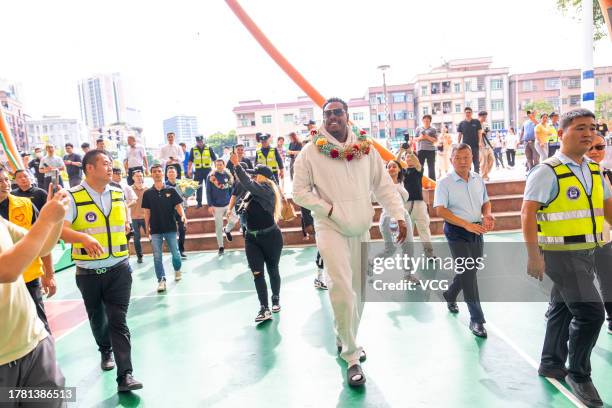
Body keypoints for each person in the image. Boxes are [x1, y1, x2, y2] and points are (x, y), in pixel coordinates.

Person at [293, 97, 407, 387]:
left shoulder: (366, 150)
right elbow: (299, 192)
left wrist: (399, 215)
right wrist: (329, 210)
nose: (332, 117)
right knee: (342, 288)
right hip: (330, 228)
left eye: (338, 112)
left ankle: (344, 334)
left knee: (359, 292)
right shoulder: (309, 152)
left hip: (360, 228)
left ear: (347, 116)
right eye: (327, 113)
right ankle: (352, 356)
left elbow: (383, 186)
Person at [522, 109, 612, 408]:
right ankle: (579, 374)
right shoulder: (546, 170)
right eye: (579, 128)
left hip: (589, 250)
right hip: (561, 254)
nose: (588, 133)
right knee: (591, 313)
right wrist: (534, 255)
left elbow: (607, 206)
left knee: (561, 308)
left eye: (591, 128)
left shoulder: (596, 169)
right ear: (561, 134)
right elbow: (527, 213)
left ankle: (551, 363)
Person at [60, 150, 143, 392]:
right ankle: (104, 349)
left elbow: (123, 219)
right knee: (98, 319)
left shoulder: (118, 192)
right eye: (105, 163)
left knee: (119, 320)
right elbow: (61, 231)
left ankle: (126, 375)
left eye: (111, 163)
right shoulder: (72, 196)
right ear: (89, 168)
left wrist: (126, 225)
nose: (111, 167)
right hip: (88, 273)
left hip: (119, 268)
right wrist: (83, 237)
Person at [0, 189, 69, 407]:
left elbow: (42, 246)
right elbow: (7, 270)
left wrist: (56, 217)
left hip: (35, 346)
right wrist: (46, 218)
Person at [434, 144, 493, 338]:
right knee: (468, 273)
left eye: (466, 157)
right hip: (456, 231)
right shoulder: (444, 182)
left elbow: (485, 201)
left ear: (472, 158)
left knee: (470, 270)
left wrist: (488, 214)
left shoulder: (478, 179)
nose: (462, 161)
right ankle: (477, 319)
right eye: (458, 157)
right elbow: (440, 210)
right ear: (451, 160)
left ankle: (450, 294)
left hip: (476, 230)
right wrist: (465, 224)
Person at [0, 169, 56, 334]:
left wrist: (49, 274)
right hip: (3, 281)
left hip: (29, 276)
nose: (5, 184)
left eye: (6, 179)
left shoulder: (25, 205)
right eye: (0, 181)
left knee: (41, 325)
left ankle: (48, 359)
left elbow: (43, 240)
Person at [230, 159, 284, 322]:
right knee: (257, 273)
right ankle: (264, 308)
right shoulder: (251, 192)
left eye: (256, 175)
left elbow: (248, 183)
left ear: (264, 177)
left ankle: (275, 299)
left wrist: (237, 166)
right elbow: (243, 206)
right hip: (252, 238)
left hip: (271, 237)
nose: (253, 177)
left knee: (273, 270)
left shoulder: (267, 189)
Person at [142, 164, 185, 292]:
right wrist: (147, 228)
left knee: (176, 254)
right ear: (151, 174)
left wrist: (183, 216)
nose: (157, 173)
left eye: (159, 171)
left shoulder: (171, 190)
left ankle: (177, 270)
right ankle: (161, 280)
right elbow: (147, 213)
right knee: (157, 257)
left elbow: (178, 206)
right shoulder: (147, 193)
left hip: (170, 228)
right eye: (154, 171)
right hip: (155, 230)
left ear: (163, 173)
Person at [585, 133, 612, 334]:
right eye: (590, 147)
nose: (595, 151)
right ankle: (555, 307)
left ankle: (611, 317)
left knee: (606, 277)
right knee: (574, 280)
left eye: (599, 147)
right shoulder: (578, 175)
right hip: (579, 238)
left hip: (603, 235)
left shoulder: (607, 174)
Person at [397, 144, 436, 259]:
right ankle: (408, 255)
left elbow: (417, 162)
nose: (409, 158)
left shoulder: (419, 170)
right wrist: (401, 152)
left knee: (424, 229)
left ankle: (429, 253)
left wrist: (410, 152)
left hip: (419, 204)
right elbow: (396, 163)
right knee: (408, 233)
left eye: (411, 157)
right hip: (406, 205)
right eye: (407, 157)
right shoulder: (402, 172)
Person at [377, 160, 415, 274]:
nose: (392, 168)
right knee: (390, 249)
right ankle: (371, 263)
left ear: (399, 169)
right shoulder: (382, 186)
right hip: (388, 218)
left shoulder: (400, 184)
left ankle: (408, 274)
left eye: (394, 166)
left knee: (409, 246)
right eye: (389, 167)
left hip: (404, 217)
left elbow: (404, 197)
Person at [206, 159, 233, 256]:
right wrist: (210, 205)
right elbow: (208, 191)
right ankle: (221, 247)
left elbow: (231, 189)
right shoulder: (211, 176)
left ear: (224, 165)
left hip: (228, 204)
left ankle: (227, 230)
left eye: (221, 165)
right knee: (218, 227)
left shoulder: (228, 175)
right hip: (216, 206)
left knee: (234, 220)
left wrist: (232, 202)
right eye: (217, 165)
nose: (219, 166)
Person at [187, 135, 217, 208]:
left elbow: (214, 159)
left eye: (201, 141)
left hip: (208, 170)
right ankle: (199, 203)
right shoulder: (193, 149)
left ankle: (211, 202)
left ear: (203, 140)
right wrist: (189, 170)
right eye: (198, 141)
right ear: (196, 142)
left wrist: (216, 169)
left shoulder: (209, 148)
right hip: (198, 171)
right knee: (198, 187)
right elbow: (190, 160)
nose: (200, 143)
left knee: (209, 187)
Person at [165, 167, 187, 259]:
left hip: (181, 210)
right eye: (169, 172)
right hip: (170, 211)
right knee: (172, 231)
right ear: (167, 174)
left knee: (182, 230)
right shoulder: (164, 185)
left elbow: (187, 195)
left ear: (176, 174)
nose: (171, 174)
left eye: (173, 172)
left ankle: (181, 250)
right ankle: (174, 250)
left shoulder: (182, 184)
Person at [457, 107, 483, 173]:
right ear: (464, 113)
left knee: (476, 162)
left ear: (471, 113)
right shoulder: (461, 123)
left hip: (475, 145)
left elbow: (479, 132)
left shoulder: (476, 122)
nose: (468, 113)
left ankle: (477, 176)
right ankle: (468, 176)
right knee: (467, 162)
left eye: (469, 112)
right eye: (466, 112)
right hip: (465, 146)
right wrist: (458, 143)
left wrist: (480, 142)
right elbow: (459, 134)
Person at [130, 170, 147, 264]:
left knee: (152, 236)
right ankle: (139, 256)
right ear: (133, 178)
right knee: (136, 239)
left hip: (146, 217)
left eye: (141, 176)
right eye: (137, 176)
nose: (140, 178)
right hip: (134, 218)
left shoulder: (147, 189)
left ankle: (156, 254)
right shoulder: (129, 189)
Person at [414, 114, 438, 180]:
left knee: (431, 167)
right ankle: (419, 180)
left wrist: (427, 137)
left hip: (431, 150)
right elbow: (415, 139)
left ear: (430, 121)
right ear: (422, 121)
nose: (426, 121)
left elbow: (435, 140)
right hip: (421, 150)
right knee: (420, 166)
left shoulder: (433, 129)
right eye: (425, 120)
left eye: (428, 120)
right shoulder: (418, 128)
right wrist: (421, 137)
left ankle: (432, 182)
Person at [478, 111, 494, 181]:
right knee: (483, 161)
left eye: (485, 117)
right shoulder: (476, 124)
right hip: (481, 145)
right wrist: (480, 132)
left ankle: (485, 173)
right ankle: (484, 176)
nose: (485, 118)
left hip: (487, 144)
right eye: (483, 117)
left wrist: (486, 131)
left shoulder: (485, 124)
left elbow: (488, 132)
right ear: (479, 116)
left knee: (492, 159)